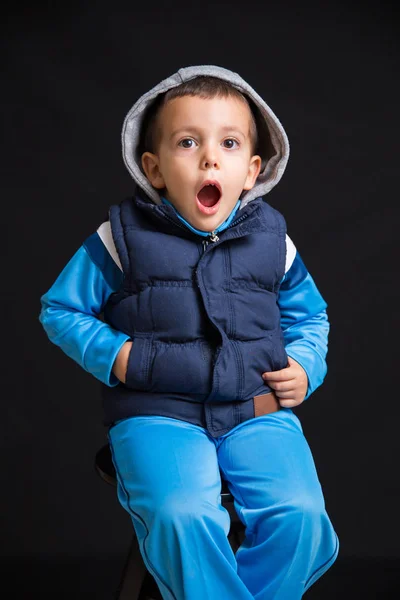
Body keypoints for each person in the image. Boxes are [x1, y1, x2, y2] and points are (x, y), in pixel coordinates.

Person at [39, 65, 339, 599]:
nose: (209, 158)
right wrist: (119, 356)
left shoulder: (273, 240)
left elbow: (310, 317)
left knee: (302, 518)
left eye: (228, 143)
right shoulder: (120, 239)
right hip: (159, 415)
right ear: (153, 169)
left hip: (256, 412)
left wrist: (305, 366)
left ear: (250, 171)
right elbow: (61, 310)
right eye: (187, 142)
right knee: (182, 515)